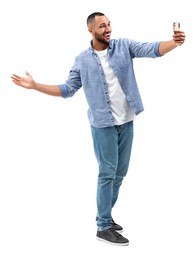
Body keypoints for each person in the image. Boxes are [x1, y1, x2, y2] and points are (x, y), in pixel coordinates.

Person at [11, 12, 185, 246]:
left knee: (119, 174)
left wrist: (173, 43)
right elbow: (67, 89)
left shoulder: (124, 46)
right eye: (102, 26)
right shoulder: (82, 60)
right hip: (103, 126)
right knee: (107, 174)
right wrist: (34, 86)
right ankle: (103, 226)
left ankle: (104, 214)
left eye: (109, 24)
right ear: (91, 30)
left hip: (126, 122)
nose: (108, 29)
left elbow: (152, 49)